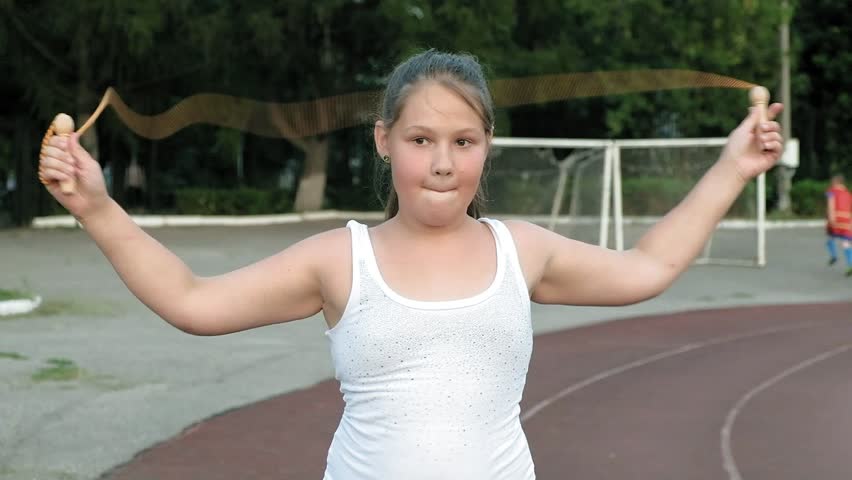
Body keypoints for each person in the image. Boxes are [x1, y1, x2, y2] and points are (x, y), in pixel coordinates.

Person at [36, 50, 784, 479]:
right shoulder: (340, 259)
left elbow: (647, 268)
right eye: (421, 139)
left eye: (464, 141)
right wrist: (97, 207)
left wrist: (732, 167)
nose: (442, 162)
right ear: (383, 141)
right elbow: (194, 303)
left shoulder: (519, 250)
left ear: (487, 147)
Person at [825, 173, 852, 276]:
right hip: (847, 221)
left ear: (835, 182)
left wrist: (831, 219)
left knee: (830, 238)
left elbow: (831, 204)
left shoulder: (832, 192)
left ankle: (833, 255)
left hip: (836, 219)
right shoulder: (848, 194)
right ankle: (850, 265)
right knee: (846, 243)